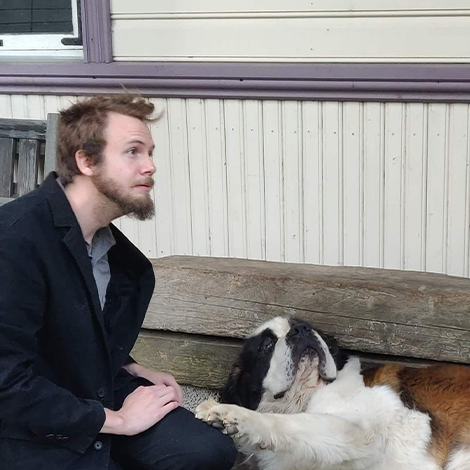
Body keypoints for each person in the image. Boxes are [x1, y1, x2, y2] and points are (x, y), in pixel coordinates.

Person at [0, 94, 237, 470]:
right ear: (86, 161)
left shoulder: (109, 247)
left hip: (87, 386)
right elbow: (6, 385)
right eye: (133, 152)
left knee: (207, 450)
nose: (150, 166)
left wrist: (130, 368)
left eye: (150, 152)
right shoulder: (14, 241)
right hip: (26, 420)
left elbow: (71, 329)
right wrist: (119, 421)